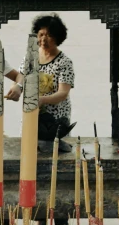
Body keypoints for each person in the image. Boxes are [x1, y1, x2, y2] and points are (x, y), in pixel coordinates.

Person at [6, 13, 76, 142]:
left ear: (57, 38)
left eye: (49, 35)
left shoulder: (65, 62)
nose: (43, 39)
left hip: (55, 121)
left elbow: (63, 93)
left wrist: (41, 100)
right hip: (32, 116)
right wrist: (16, 87)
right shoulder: (30, 57)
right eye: (41, 34)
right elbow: (21, 76)